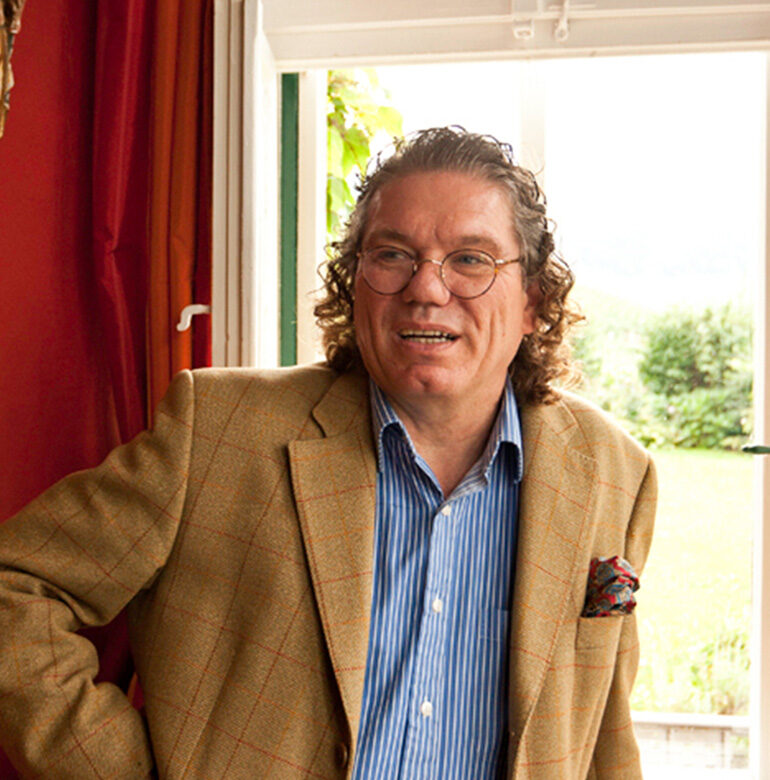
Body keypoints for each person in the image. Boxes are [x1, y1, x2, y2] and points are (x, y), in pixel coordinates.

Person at [0, 127, 656, 779]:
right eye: (393, 254)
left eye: (470, 259)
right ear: (354, 282)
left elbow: (604, 728)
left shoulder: (615, 474)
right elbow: (14, 590)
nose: (427, 289)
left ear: (533, 302)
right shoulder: (217, 430)